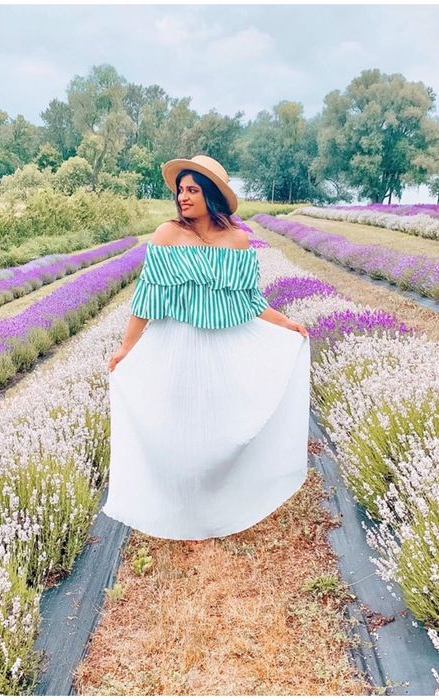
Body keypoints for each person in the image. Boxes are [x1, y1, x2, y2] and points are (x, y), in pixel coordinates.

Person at [103, 155, 310, 542]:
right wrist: (126, 349)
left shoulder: (238, 241)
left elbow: (250, 299)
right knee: (177, 426)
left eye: (192, 190)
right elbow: (146, 298)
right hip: (175, 346)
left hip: (222, 348)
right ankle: (182, 509)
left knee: (222, 425)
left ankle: (219, 505)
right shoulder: (166, 235)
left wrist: (284, 323)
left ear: (211, 195)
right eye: (180, 190)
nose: (183, 197)